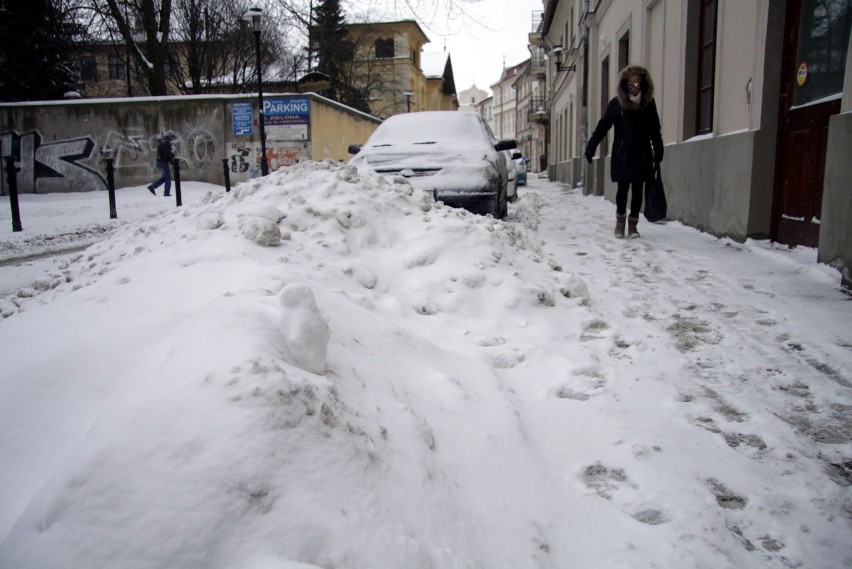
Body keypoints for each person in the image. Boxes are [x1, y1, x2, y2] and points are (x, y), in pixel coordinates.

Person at [585, 65, 663, 238]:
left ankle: (633, 225)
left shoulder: (648, 104)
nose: (634, 88)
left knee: (637, 191)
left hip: (642, 154)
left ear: (643, 84)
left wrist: (658, 150)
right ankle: (620, 223)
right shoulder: (616, 104)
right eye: (631, 84)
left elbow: (654, 129)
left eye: (637, 84)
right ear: (625, 85)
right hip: (623, 154)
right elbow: (602, 127)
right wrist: (591, 147)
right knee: (622, 190)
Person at [147, 131, 177, 197]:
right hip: (163, 162)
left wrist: (171, 160)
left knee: (165, 178)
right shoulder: (166, 142)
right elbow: (167, 153)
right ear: (170, 136)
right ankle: (166, 193)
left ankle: (152, 187)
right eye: (173, 137)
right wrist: (172, 155)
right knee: (168, 178)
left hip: (160, 162)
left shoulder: (163, 141)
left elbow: (165, 154)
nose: (173, 139)